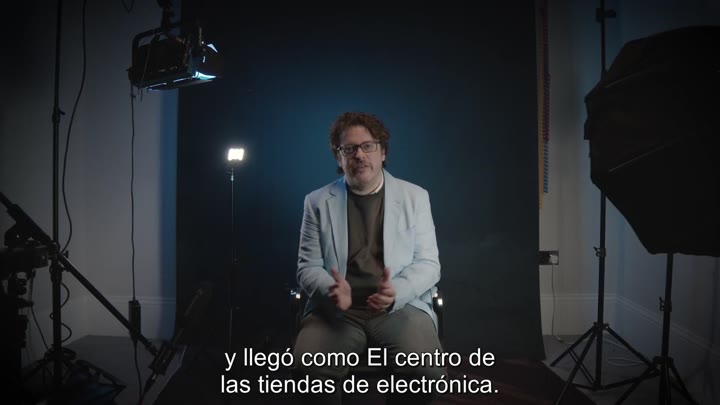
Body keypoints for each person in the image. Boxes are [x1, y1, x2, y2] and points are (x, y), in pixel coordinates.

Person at [293, 111, 446, 405]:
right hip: (338, 312)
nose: (359, 155)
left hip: (399, 308)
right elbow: (307, 267)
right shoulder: (316, 202)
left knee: (427, 373)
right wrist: (331, 289)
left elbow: (429, 264)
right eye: (349, 149)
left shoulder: (415, 197)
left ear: (383, 152)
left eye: (368, 146)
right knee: (309, 372)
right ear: (338, 157)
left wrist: (396, 291)